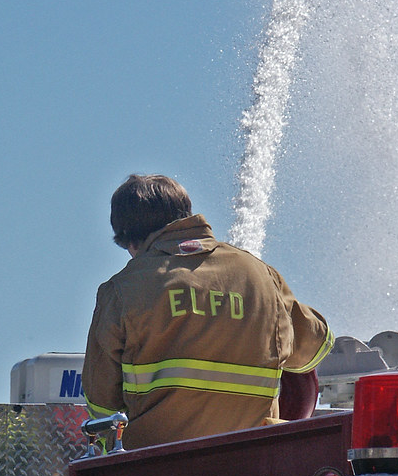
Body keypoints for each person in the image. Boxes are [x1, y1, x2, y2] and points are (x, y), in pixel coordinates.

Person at [82, 174, 333, 450]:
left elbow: (102, 405)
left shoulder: (121, 290)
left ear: (129, 239)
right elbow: (314, 347)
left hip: (156, 462)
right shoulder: (261, 276)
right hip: (254, 460)